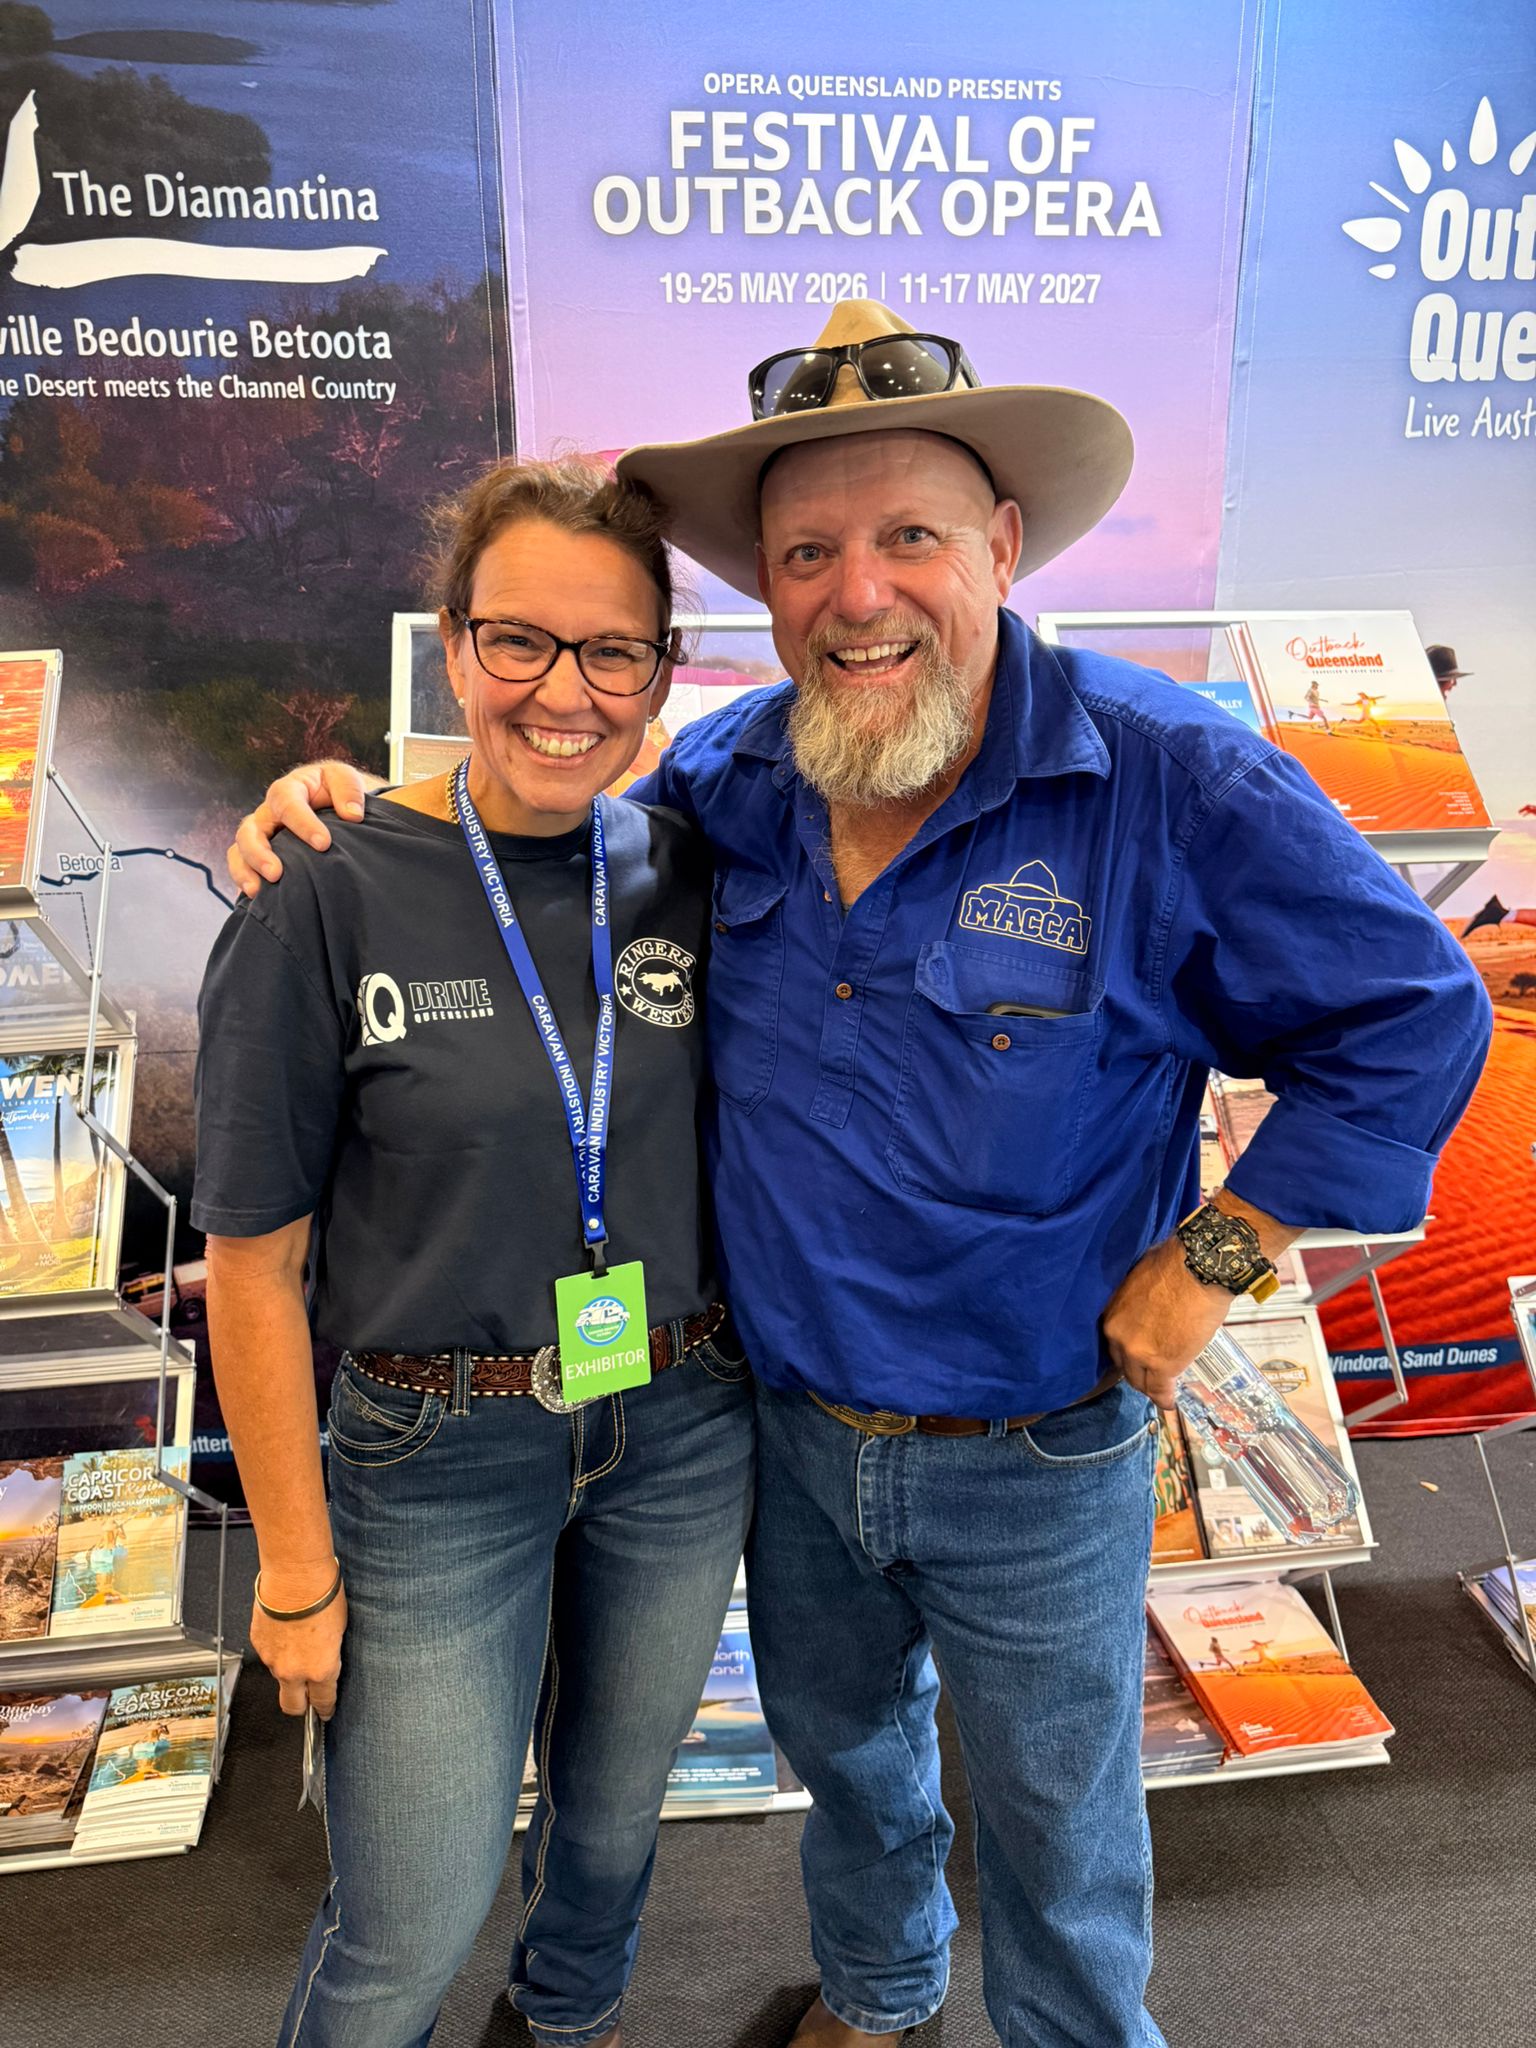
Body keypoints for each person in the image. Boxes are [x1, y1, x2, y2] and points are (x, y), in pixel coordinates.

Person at [231, 301, 1491, 2048]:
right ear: (763, 588)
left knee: (1057, 1829)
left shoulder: (1167, 779)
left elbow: (1419, 1015)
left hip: (1037, 1443)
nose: (858, 592)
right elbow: (529, 820)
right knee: (853, 1764)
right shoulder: (731, 779)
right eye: (807, 552)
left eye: (909, 537)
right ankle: (882, 2004)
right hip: (788, 1432)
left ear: (1003, 546)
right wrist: (348, 812)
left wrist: (1217, 1255)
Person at [197, 455, 753, 2048]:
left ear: (662, 672)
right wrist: (294, 1568)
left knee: (611, 1826)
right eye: (520, 641)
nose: (565, 694)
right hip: (433, 1451)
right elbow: (251, 1266)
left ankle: (566, 2025)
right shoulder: (321, 887)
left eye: (614, 653)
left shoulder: (694, 869)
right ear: (454, 646)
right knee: (411, 1916)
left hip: (679, 1426)